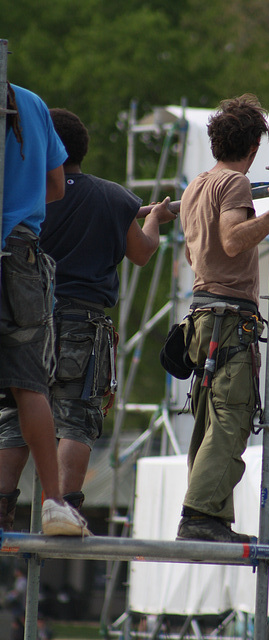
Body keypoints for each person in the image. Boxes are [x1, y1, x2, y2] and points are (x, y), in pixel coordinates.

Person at [0, 107, 176, 522]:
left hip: (28, 317)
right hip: (83, 323)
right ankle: (61, 511)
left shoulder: (24, 194)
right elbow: (142, 252)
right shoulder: (112, 197)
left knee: (13, 415)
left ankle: (2, 504)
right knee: (76, 417)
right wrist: (152, 218)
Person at [176, 94, 269, 542]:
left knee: (212, 419)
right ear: (252, 149)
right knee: (232, 417)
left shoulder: (195, 186)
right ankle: (200, 517)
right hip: (229, 317)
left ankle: (207, 518)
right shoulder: (234, 185)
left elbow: (197, 252)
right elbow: (231, 241)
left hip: (202, 313)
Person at [0, 83, 89, 536]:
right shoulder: (32, 103)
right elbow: (55, 186)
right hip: (20, 256)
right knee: (28, 386)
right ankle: (54, 503)